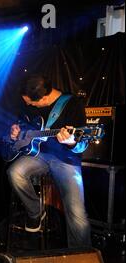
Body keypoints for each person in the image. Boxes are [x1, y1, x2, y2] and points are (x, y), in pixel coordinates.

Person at [7, 74, 91, 248]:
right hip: (40, 155)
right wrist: (17, 129)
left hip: (66, 160)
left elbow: (82, 145)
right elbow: (23, 121)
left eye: (31, 102)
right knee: (14, 172)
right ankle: (36, 212)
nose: (29, 105)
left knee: (77, 214)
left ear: (44, 98)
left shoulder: (73, 104)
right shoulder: (32, 104)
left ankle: (81, 257)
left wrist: (71, 142)